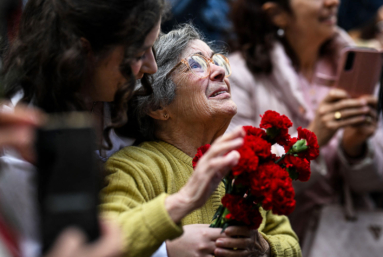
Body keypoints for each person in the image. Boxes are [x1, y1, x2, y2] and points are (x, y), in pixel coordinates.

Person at [100, 24, 301, 257]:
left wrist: (263, 246)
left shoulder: (246, 165)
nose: (219, 72)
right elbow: (106, 242)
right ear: (157, 106)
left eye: (218, 61)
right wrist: (169, 249)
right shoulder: (133, 168)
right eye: (197, 64)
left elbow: (292, 244)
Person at [0, 0, 165, 256]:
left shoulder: (127, 99)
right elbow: (60, 245)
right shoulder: (20, 136)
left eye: (152, 47)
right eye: (138, 53)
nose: (152, 66)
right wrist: (167, 248)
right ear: (84, 51)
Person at [227, 0, 383, 249]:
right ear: (277, 14)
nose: (333, 2)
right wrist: (312, 141)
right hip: (278, 242)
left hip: (352, 241)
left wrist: (356, 149)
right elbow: (239, 187)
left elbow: (375, 182)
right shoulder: (238, 76)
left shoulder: (355, 67)